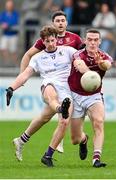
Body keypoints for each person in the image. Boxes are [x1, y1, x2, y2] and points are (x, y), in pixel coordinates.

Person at [12, 10, 83, 160]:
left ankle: (21, 140)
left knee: (44, 118)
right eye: (57, 21)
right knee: (58, 106)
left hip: (69, 85)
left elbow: (83, 57)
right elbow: (27, 55)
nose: (60, 23)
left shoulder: (74, 41)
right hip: (50, 82)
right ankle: (57, 143)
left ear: (66, 22)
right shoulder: (44, 42)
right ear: (53, 23)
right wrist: (19, 80)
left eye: (63, 20)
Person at [68, 29, 112, 167]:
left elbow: (108, 65)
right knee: (75, 139)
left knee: (99, 122)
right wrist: (91, 74)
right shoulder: (78, 55)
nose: (92, 42)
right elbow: (79, 66)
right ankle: (84, 140)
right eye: (90, 39)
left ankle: (96, 159)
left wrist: (101, 64)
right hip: (76, 96)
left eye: (95, 40)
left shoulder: (104, 56)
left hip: (94, 96)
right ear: (85, 41)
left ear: (99, 41)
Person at [0, 0, 20, 66]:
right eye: (8, 5)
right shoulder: (3, 14)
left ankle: (16, 65)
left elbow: (15, 22)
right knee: (3, 48)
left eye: (10, 5)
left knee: (13, 51)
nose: (9, 7)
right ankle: (7, 63)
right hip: (5, 34)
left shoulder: (15, 14)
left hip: (13, 35)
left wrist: (7, 24)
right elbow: (1, 21)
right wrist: (2, 24)